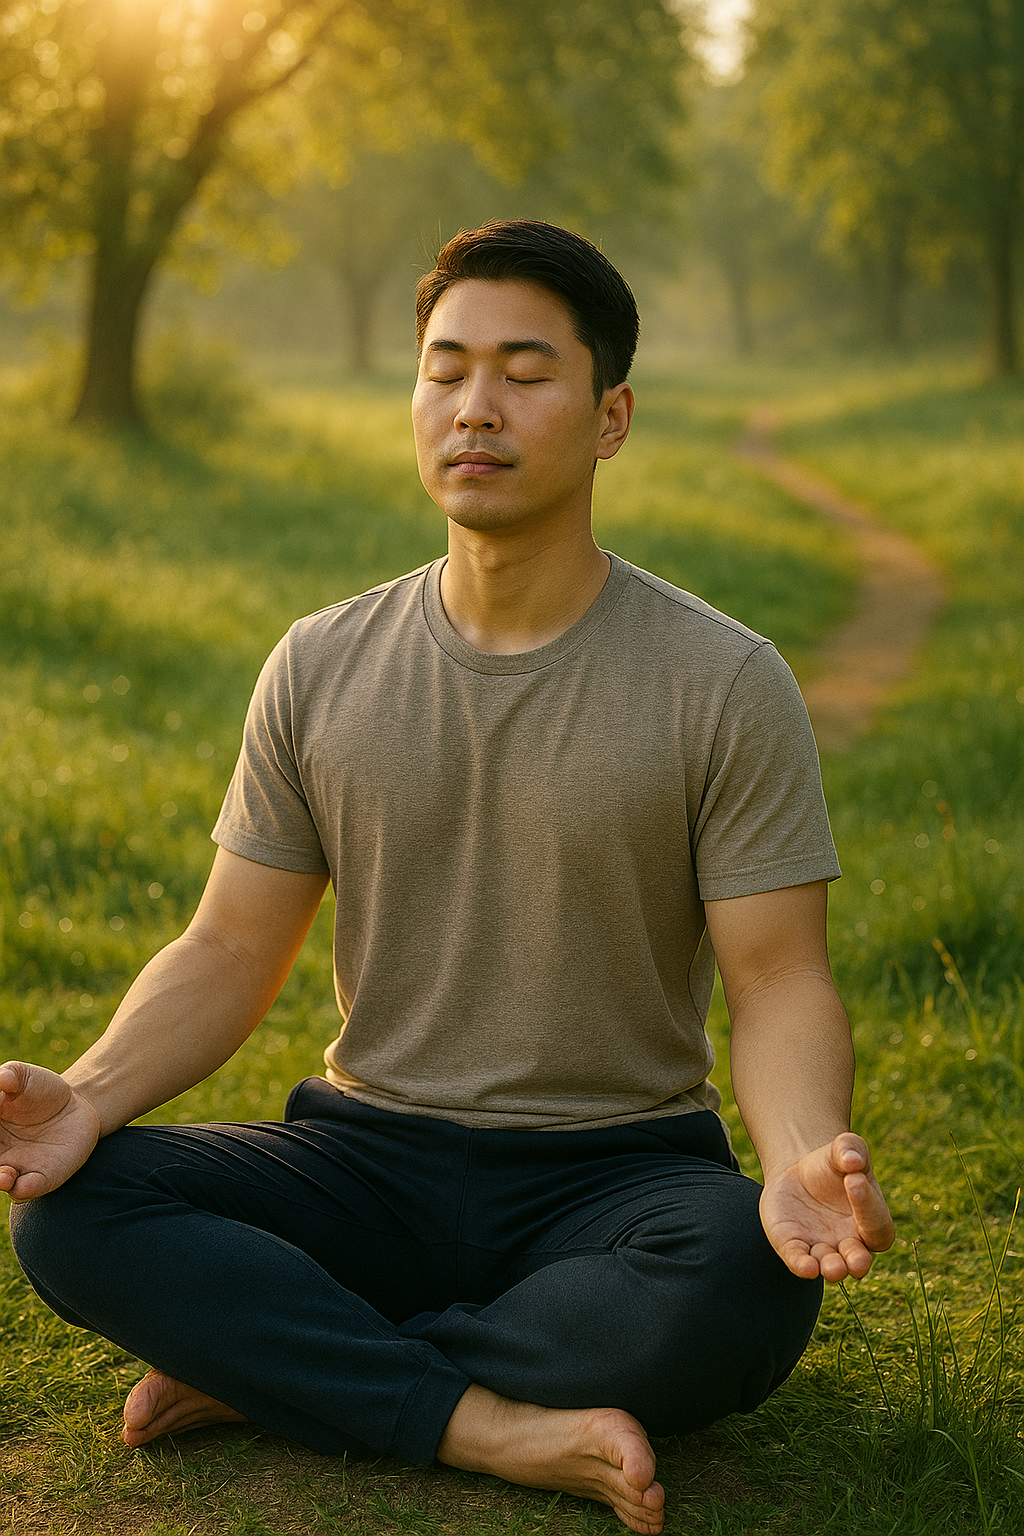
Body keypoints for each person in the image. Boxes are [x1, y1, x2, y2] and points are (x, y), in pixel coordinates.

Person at [1, 221, 893, 1536]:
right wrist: (86, 1096)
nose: (477, 407)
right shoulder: (320, 663)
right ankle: (486, 1422)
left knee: (742, 1277)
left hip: (613, 1175)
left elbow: (778, 979)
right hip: (364, 1161)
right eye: (446, 370)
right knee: (75, 1211)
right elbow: (230, 948)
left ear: (611, 417)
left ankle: (286, 1366)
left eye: (526, 373)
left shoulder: (722, 680)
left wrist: (802, 1152)